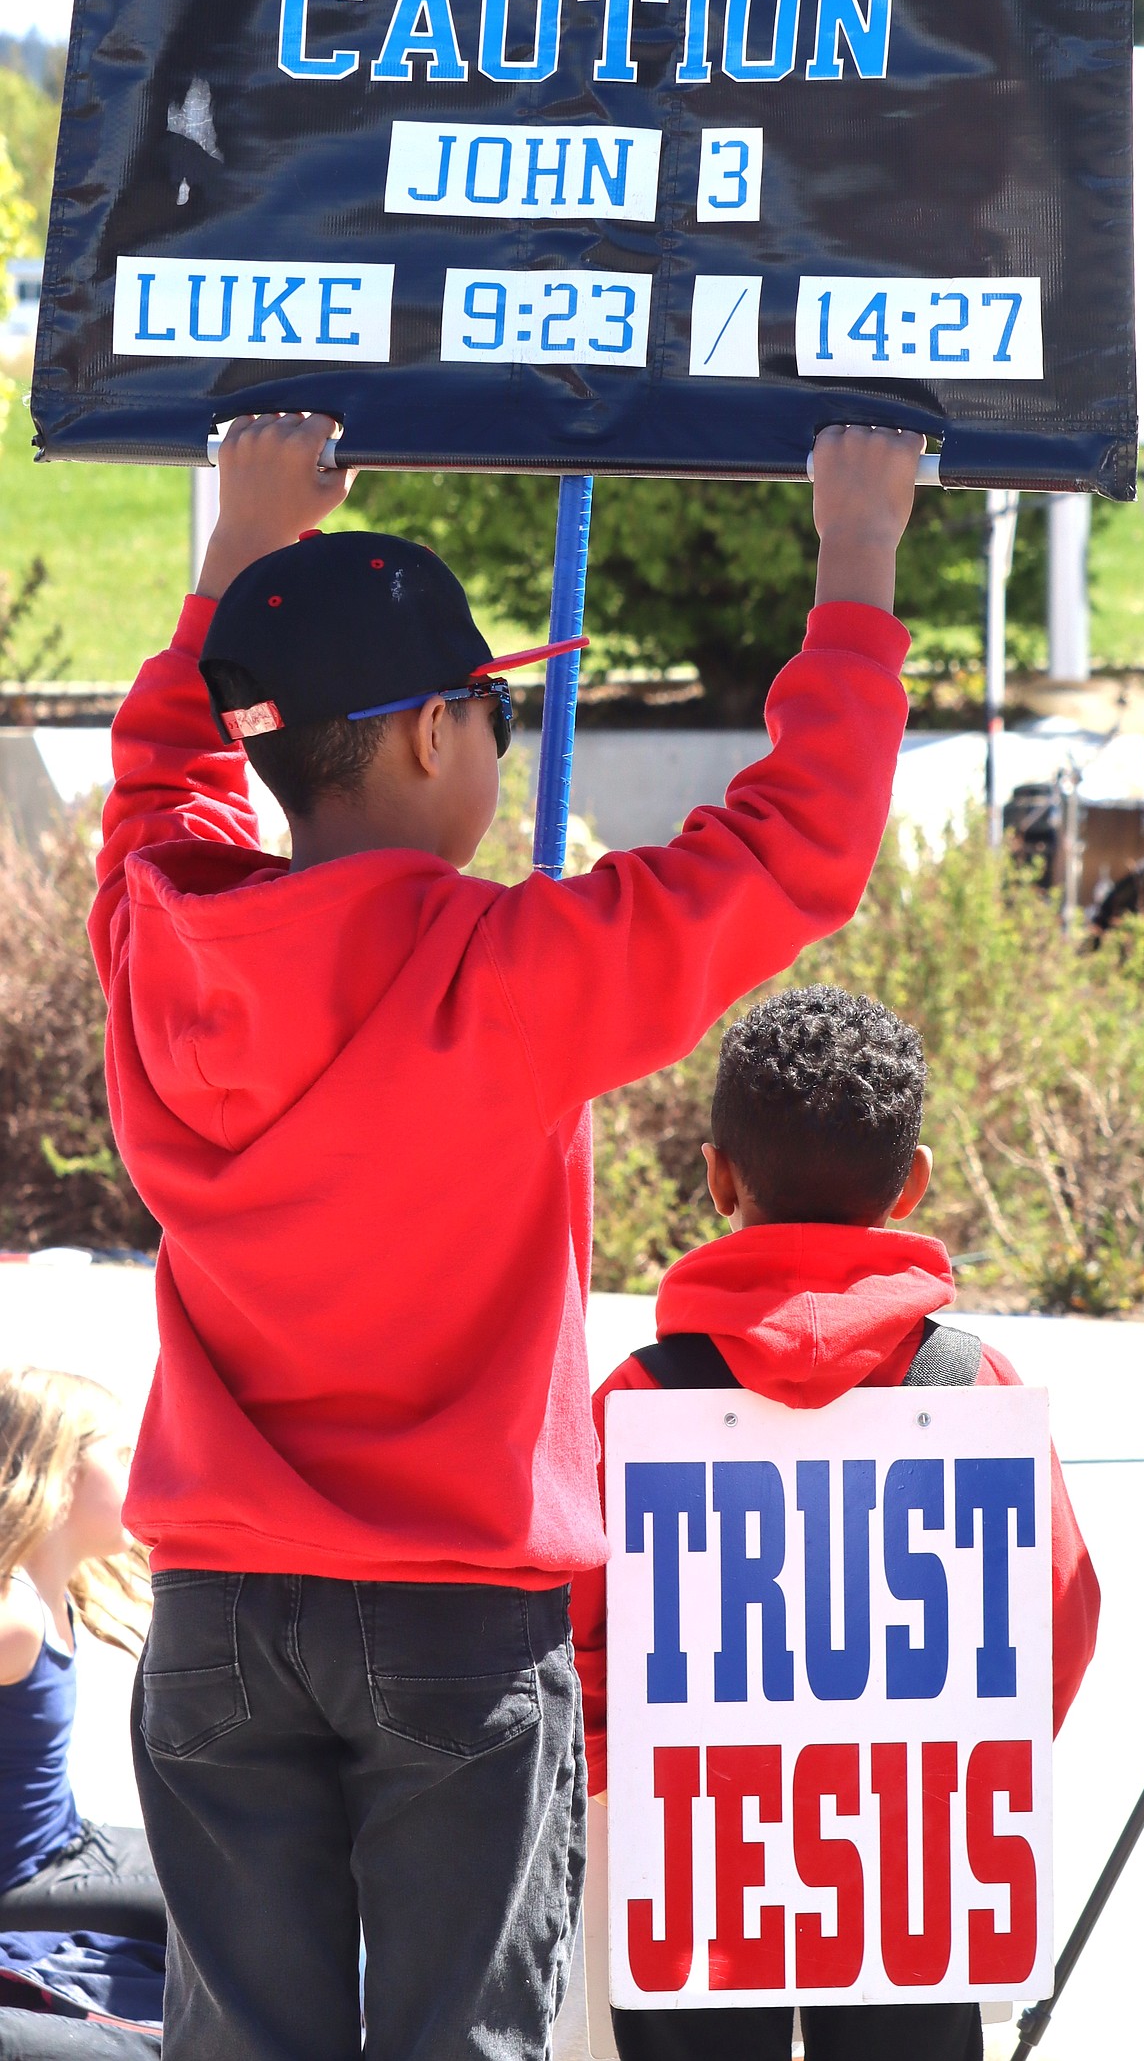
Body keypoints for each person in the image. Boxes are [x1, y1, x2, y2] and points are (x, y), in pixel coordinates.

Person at [89, 411, 925, 2061]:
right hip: (454, 1618)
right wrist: (855, 559)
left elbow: (164, 775)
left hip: (212, 1613)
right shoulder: (513, 970)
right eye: (494, 708)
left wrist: (238, 551)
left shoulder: (154, 928)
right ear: (422, 741)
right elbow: (794, 849)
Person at [571, 984, 1102, 2061]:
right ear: (911, 1184)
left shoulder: (637, 1399)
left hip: (692, 1875)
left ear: (718, 1174)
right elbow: (1062, 1614)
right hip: (920, 1868)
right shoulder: (978, 1387)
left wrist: (619, 1764)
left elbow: (570, 1634)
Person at [0, 1369, 166, 2056]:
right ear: (60, 1470)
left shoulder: (47, 1587)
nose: (146, 1470)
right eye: (124, 1456)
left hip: (66, 1840)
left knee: (259, 1874)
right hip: (25, 1874)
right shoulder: (14, 1617)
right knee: (240, 1902)